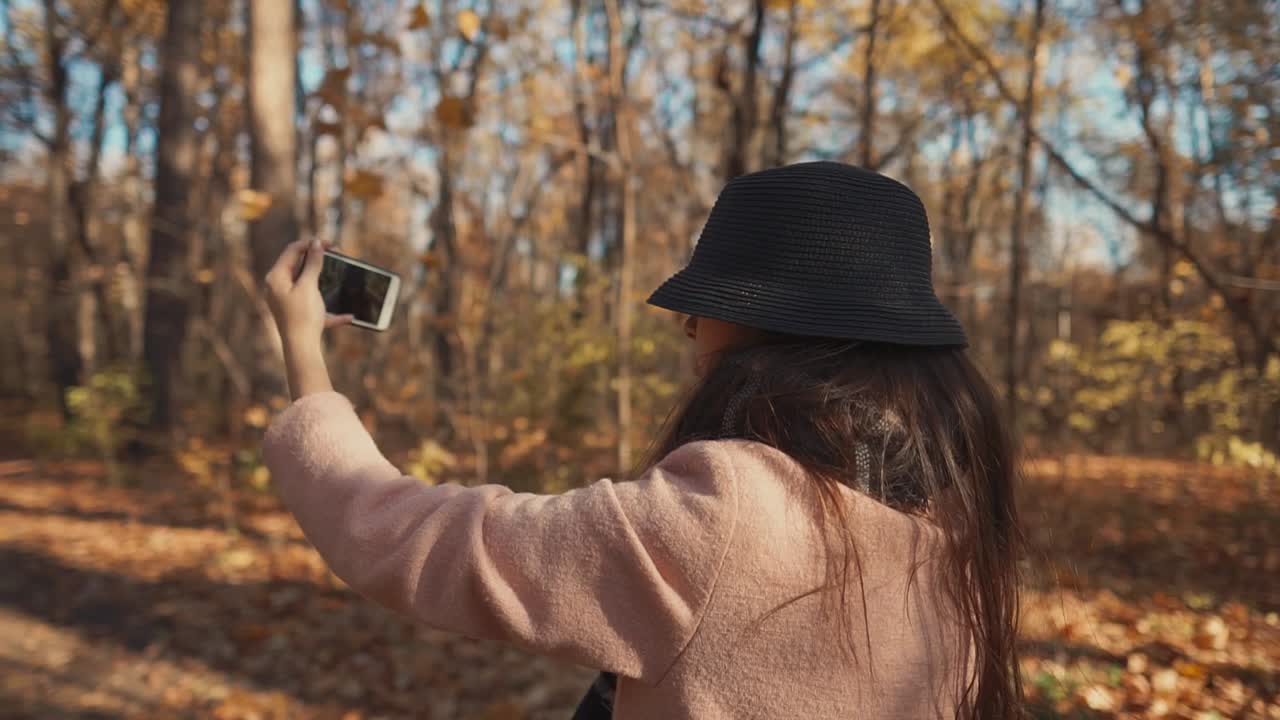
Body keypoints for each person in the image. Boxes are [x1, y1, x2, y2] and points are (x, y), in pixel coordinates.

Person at [263, 161, 1023, 719]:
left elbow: (417, 541)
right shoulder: (952, 522)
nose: (692, 327)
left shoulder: (731, 514)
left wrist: (307, 364)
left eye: (711, 303)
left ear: (769, 327)